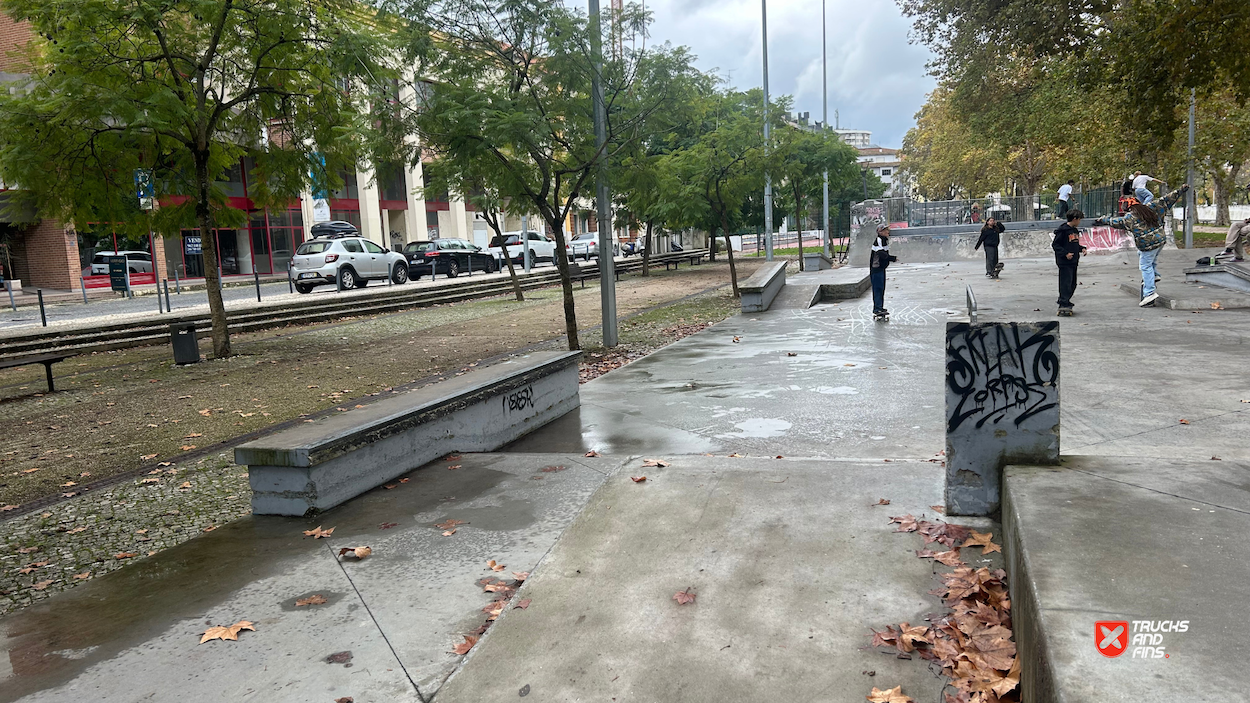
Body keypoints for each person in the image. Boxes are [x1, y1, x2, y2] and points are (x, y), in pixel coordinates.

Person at [1094, 184, 1189, 307]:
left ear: (1128, 209)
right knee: (1149, 259)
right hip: (1160, 240)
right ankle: (1154, 275)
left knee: (1145, 265)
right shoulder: (1152, 207)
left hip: (1147, 244)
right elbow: (1167, 199)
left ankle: (1150, 293)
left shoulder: (1129, 218)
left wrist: (1102, 219)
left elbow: (1114, 221)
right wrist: (1180, 190)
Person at [1051, 210, 1087, 315]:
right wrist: (1065, 253)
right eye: (1079, 219)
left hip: (1074, 261)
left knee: (1072, 283)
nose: (1080, 222)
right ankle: (1063, 302)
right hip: (1064, 261)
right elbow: (1055, 245)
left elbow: (1074, 244)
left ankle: (1066, 300)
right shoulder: (1063, 230)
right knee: (1065, 283)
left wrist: (1082, 248)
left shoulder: (1074, 230)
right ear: (1075, 219)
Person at [869, 223, 898, 317]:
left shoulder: (884, 240)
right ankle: (877, 308)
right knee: (877, 289)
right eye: (885, 230)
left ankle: (880, 307)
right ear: (880, 232)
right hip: (876, 269)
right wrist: (892, 258)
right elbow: (881, 254)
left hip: (881, 268)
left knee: (881, 288)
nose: (887, 232)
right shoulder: (878, 240)